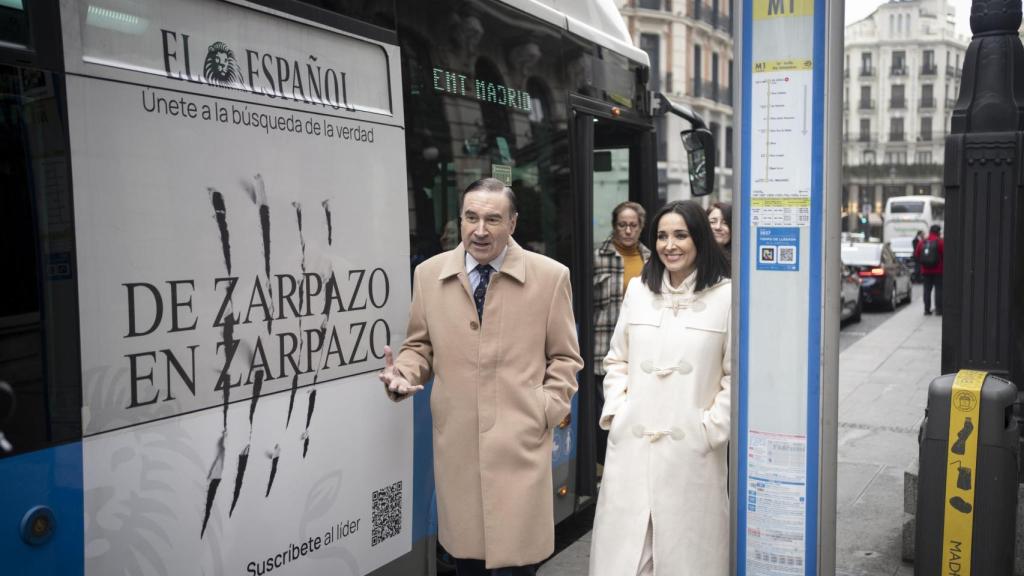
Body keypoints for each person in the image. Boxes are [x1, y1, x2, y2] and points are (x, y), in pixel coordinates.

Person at [379, 178, 583, 576]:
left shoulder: (551, 276)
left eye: (493, 219)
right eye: (471, 217)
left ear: (513, 223)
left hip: (520, 446)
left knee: (519, 566)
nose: (480, 230)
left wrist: (543, 409)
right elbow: (419, 345)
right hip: (458, 447)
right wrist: (403, 373)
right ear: (460, 220)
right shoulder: (428, 274)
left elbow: (564, 358)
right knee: (467, 563)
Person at [589, 200, 731, 576]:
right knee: (627, 561)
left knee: (684, 558)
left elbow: (736, 376)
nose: (670, 245)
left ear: (699, 238)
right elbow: (616, 359)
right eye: (663, 236)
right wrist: (618, 412)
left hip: (692, 453)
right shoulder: (638, 291)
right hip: (632, 448)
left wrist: (711, 428)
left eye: (680, 235)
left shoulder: (727, 296)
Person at [593, 201, 651, 464]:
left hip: (641, 351)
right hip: (603, 349)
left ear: (640, 227)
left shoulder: (651, 260)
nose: (628, 230)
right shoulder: (596, 257)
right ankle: (603, 466)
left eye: (633, 225)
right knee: (606, 413)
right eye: (622, 225)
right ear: (614, 226)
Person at [914, 224, 944, 316]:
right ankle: (938, 310)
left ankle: (927, 310)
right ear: (938, 232)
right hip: (938, 270)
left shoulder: (922, 242)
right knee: (938, 290)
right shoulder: (940, 242)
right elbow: (944, 254)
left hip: (926, 270)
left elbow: (917, 254)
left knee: (927, 290)